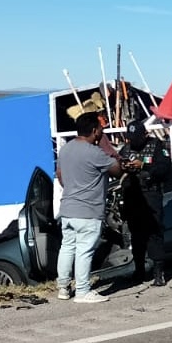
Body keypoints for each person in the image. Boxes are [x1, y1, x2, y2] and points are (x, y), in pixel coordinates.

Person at [55, 111, 122, 303]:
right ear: (94, 131)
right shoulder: (94, 152)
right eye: (101, 129)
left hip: (67, 208)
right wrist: (113, 155)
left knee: (67, 248)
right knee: (84, 250)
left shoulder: (65, 149)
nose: (102, 132)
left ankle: (63, 287)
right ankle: (82, 291)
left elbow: (60, 175)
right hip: (88, 211)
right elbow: (116, 170)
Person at [118, 120, 172, 286]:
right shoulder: (125, 149)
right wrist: (123, 166)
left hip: (150, 194)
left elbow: (164, 168)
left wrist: (144, 166)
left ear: (145, 135)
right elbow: (116, 167)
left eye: (136, 137)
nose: (133, 141)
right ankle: (139, 270)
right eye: (130, 137)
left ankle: (159, 272)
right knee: (136, 234)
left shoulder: (156, 147)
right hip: (132, 196)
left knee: (154, 233)